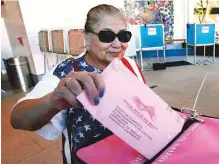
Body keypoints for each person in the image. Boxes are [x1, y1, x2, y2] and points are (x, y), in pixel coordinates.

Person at [11, 4, 146, 164]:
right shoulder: (65, 73)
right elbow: (17, 118)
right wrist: (52, 101)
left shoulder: (129, 64)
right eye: (107, 36)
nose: (118, 44)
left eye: (124, 36)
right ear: (87, 37)